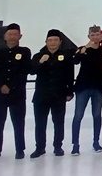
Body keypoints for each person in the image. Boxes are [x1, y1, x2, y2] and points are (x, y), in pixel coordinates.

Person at [0, 23, 32, 162]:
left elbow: (24, 71)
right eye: (10, 34)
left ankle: (20, 150)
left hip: (17, 94)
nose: (12, 37)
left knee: (18, 123)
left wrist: (10, 85)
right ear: (5, 36)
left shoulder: (25, 52)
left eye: (15, 34)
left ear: (20, 36)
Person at [30, 29, 75, 158]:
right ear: (46, 42)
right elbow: (31, 71)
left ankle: (58, 146)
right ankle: (40, 148)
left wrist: (69, 91)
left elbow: (70, 75)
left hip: (59, 95)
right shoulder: (38, 55)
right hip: (41, 95)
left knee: (59, 123)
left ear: (60, 42)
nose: (53, 42)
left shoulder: (66, 56)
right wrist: (40, 62)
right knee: (40, 123)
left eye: (55, 40)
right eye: (50, 40)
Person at [71, 25, 102, 155]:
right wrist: (85, 48)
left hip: (98, 87)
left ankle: (96, 142)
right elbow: (75, 61)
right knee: (78, 115)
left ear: (101, 36)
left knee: (97, 115)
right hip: (83, 87)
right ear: (88, 36)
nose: (95, 37)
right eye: (92, 35)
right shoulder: (83, 49)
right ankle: (75, 144)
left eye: (97, 34)